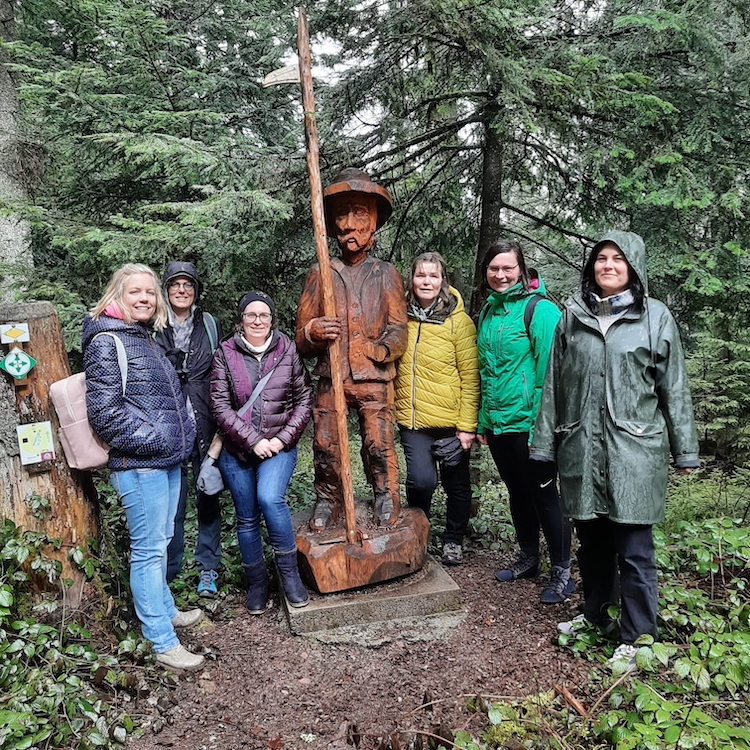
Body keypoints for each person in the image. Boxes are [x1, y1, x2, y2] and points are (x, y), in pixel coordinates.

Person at [531, 230, 699, 662]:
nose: (607, 265)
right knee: (593, 544)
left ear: (634, 267)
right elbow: (553, 386)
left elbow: (674, 388)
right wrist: (543, 444)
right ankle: (596, 617)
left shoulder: (655, 318)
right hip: (581, 449)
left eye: (617, 259)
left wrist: (685, 451)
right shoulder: (573, 316)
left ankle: (638, 636)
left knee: (634, 549)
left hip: (634, 453)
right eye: (600, 258)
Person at [83, 263, 205, 671]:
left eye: (150, 293)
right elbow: (105, 414)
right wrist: (159, 440)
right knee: (149, 551)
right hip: (138, 466)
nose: (144, 299)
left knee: (162, 538)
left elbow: (169, 399)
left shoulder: (145, 338)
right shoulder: (105, 340)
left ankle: (165, 609)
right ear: (118, 294)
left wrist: (183, 437)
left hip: (166, 461)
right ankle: (161, 640)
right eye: (135, 292)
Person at [296, 168, 408, 530]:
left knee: (378, 444)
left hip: (372, 378)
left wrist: (378, 350)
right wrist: (313, 331)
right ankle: (328, 499)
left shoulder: (385, 272)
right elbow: (301, 337)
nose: (348, 224)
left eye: (358, 214)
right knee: (326, 445)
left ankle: (385, 495)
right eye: (341, 215)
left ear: (372, 223)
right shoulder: (321, 273)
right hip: (332, 377)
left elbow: (399, 329)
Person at [476, 239, 573, 604]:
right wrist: (485, 419)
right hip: (500, 425)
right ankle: (529, 558)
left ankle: (562, 572)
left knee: (545, 495)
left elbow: (551, 375)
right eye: (494, 268)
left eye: (508, 268)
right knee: (518, 493)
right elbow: (486, 371)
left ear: (521, 270)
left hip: (532, 426)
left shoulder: (541, 311)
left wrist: (540, 428)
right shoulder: (487, 312)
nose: (500, 275)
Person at [210, 291, 313, 613]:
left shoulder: (287, 351)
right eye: (251, 315)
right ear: (241, 320)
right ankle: (256, 583)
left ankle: (289, 576)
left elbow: (303, 399)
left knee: (270, 498)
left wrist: (281, 439)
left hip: (279, 445)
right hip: (237, 451)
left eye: (263, 315)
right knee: (246, 518)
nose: (257, 320)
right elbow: (219, 405)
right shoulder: (224, 353)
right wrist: (253, 440)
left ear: (271, 320)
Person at [394, 252, 479, 566]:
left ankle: (454, 540)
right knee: (421, 481)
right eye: (420, 275)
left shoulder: (459, 321)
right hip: (413, 419)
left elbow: (471, 376)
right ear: (412, 279)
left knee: (456, 484)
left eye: (433, 275)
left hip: (451, 421)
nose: (426, 281)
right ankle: (420, 532)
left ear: (443, 280)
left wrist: (467, 427)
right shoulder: (400, 316)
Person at [154, 261, 223, 597]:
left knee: (208, 498)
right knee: (171, 504)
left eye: (188, 285)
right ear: (166, 290)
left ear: (195, 290)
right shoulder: (153, 326)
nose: (181, 290)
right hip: (167, 429)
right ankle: (169, 571)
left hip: (205, 425)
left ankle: (207, 569)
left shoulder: (209, 325)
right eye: (175, 285)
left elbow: (222, 374)